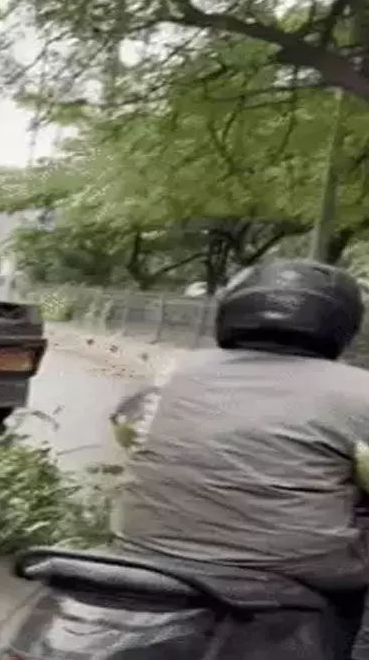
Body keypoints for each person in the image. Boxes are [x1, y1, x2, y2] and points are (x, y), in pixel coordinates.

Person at [111, 258, 369, 645]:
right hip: (301, 569)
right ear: (342, 324)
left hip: (143, 548)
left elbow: (128, 433)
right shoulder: (360, 390)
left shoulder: (170, 370)